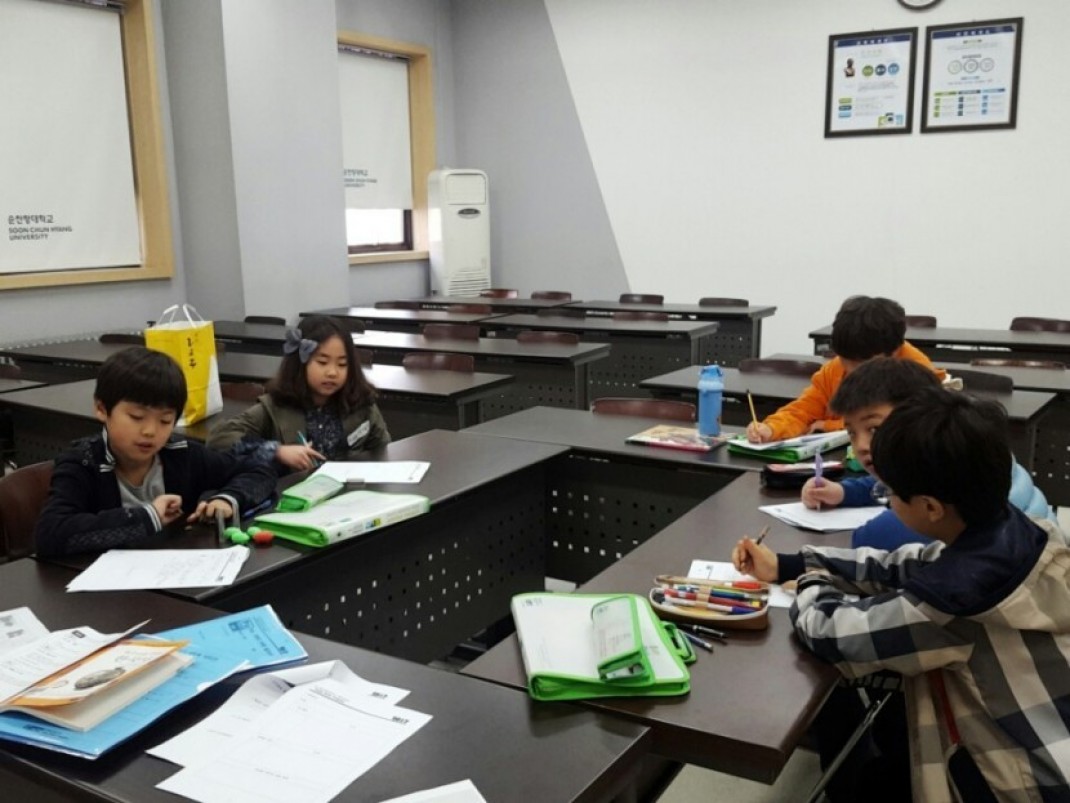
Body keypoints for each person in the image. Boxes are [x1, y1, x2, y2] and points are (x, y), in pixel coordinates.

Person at [733, 389, 1070, 801]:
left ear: (930, 507)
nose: (887, 500)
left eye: (890, 493)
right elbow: (908, 564)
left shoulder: (950, 604)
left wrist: (807, 583)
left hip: (1026, 787)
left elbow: (831, 632)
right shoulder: (1016, 531)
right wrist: (790, 564)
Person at [34, 348, 276, 558]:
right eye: (137, 417)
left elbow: (259, 470)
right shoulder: (83, 462)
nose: (150, 431)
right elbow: (50, 534)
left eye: (165, 420)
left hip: (177, 576)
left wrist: (228, 499)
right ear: (101, 409)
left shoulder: (181, 454)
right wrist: (147, 517)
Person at [800, 357, 1054, 550]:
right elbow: (888, 484)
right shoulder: (970, 450)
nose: (862, 445)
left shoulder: (941, 504)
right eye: (852, 433)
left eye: (874, 429)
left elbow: (869, 541)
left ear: (922, 417)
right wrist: (844, 492)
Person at [745, 295, 944, 443]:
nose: (850, 371)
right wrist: (772, 428)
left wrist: (828, 426)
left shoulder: (918, 375)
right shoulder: (834, 370)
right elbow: (804, 409)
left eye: (861, 363)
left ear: (893, 352)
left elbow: (899, 424)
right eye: (844, 359)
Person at [207, 315, 390, 473]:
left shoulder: (361, 403)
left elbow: (384, 450)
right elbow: (219, 439)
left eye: (342, 364)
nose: (333, 372)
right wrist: (276, 451)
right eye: (322, 362)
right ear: (300, 363)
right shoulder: (275, 406)